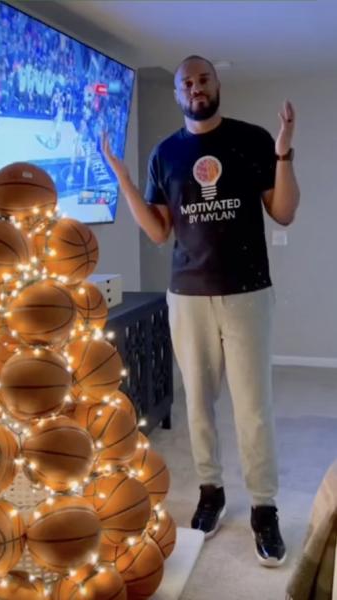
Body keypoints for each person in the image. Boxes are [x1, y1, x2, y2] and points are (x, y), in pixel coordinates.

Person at [102, 54, 300, 567]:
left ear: (216, 84)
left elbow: (284, 212)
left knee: (253, 407)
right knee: (199, 404)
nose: (196, 87)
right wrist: (123, 178)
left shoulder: (253, 138)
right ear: (177, 94)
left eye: (203, 78)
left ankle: (263, 505)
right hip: (186, 296)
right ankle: (210, 491)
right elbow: (157, 230)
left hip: (248, 293)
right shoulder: (164, 153)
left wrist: (284, 156)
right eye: (186, 82)